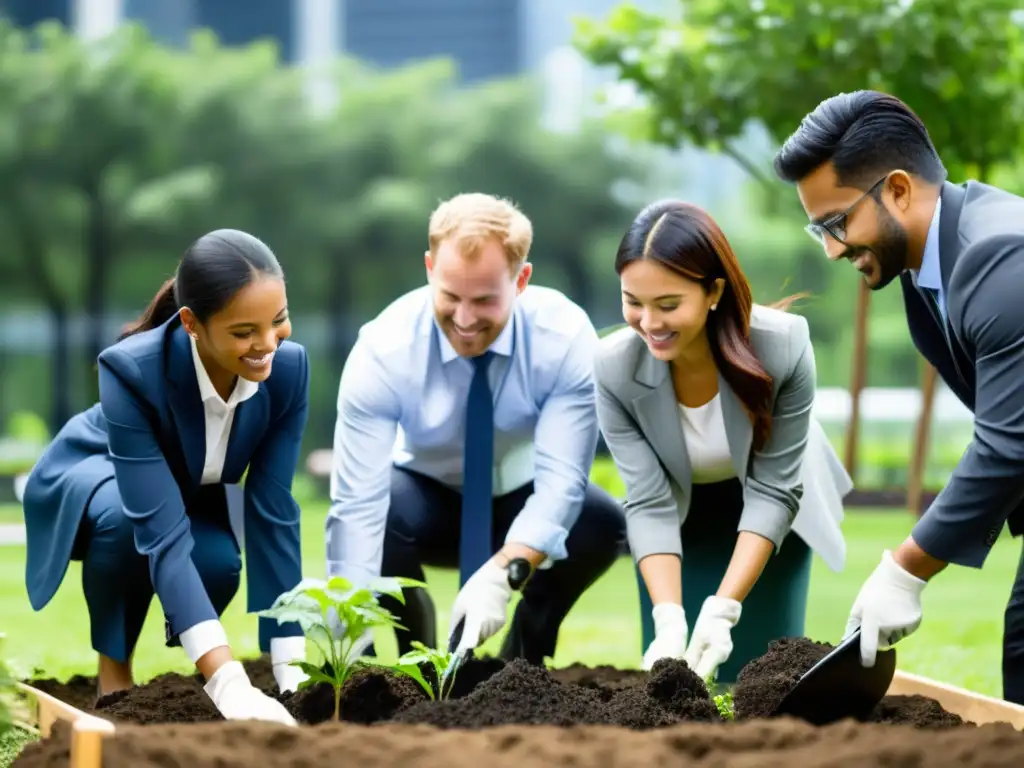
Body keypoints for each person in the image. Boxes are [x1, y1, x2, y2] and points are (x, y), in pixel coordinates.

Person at [772, 90, 1024, 704]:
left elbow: (1007, 444)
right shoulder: (922, 268)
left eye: (837, 222)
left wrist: (905, 568)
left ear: (900, 190)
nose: (831, 249)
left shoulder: (1002, 258)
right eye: (819, 230)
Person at [325, 192, 627, 664]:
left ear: (521, 279)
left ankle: (521, 663)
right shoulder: (384, 348)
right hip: (422, 504)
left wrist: (503, 573)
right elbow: (356, 505)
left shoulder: (564, 338)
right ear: (429, 267)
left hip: (519, 498)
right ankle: (419, 657)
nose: (464, 320)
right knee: (379, 509)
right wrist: (350, 629)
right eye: (450, 296)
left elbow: (561, 485)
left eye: (485, 300)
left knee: (600, 523)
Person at [22, 229, 309, 725]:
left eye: (278, 320)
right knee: (123, 526)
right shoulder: (130, 370)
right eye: (244, 332)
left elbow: (274, 511)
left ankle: (200, 667)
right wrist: (228, 680)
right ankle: (114, 676)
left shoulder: (287, 370)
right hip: (100, 469)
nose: (268, 344)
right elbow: (159, 530)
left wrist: (292, 675)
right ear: (192, 323)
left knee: (218, 563)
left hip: (188, 483)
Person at [594, 200, 851, 683]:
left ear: (713, 291)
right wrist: (668, 617)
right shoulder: (614, 368)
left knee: (758, 675)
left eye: (668, 305)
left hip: (774, 511)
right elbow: (648, 502)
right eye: (633, 301)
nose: (649, 323)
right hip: (680, 513)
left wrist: (725, 609)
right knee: (674, 676)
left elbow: (775, 488)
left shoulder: (783, 346)